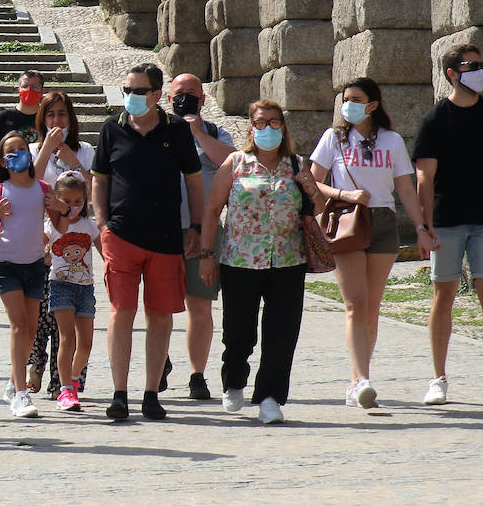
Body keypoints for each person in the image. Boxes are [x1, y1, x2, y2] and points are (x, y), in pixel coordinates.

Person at [311, 77, 437, 409]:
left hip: (383, 220)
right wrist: (343, 193)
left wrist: (421, 227)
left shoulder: (392, 140)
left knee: (372, 307)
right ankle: (361, 380)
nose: (348, 104)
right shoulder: (333, 139)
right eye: (345, 98)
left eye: (355, 99)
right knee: (355, 304)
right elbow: (311, 182)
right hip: (348, 218)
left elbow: (406, 190)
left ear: (372, 105)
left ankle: (358, 377)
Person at [413, 44, 483, 408]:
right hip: (445, 221)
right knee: (443, 295)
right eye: (472, 65)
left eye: (482, 65)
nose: (480, 70)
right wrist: (425, 224)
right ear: (452, 73)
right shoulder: (434, 119)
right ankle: (438, 379)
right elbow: (424, 178)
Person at [90, 62, 202, 421]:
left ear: (156, 95)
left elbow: (194, 182)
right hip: (121, 235)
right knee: (121, 312)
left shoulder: (177, 132)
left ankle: (151, 393)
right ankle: (119, 393)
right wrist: (102, 223)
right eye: (127, 90)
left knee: (160, 316)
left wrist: (195, 226)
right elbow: (99, 179)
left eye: (138, 91)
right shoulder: (112, 128)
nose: (131, 97)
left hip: (167, 238)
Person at [198, 100, 322, 425]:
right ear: (251, 128)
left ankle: (270, 397)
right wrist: (206, 255)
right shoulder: (235, 163)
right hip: (240, 260)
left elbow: (317, 207)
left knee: (282, 333)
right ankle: (234, 380)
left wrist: (310, 186)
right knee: (238, 332)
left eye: (274, 122)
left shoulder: (296, 164)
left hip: (287, 260)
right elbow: (212, 210)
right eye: (261, 122)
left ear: (283, 126)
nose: (268, 128)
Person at [168, 73, 235, 400]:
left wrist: (195, 130)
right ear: (168, 99)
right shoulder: (158, 131)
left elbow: (232, 164)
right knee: (160, 305)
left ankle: (197, 374)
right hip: (162, 231)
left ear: (203, 99)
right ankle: (160, 360)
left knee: (200, 305)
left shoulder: (213, 132)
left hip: (205, 231)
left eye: (192, 94)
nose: (185, 99)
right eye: (180, 94)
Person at [28, 90, 95, 395]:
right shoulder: (30, 150)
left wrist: (71, 159)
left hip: (75, 248)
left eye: (62, 114)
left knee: (68, 322)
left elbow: (94, 191)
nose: (57, 120)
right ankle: (36, 364)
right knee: (41, 313)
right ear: (42, 119)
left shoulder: (86, 151)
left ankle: (63, 383)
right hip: (40, 242)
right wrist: (48, 149)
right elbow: (31, 183)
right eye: (51, 114)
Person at [0, 131, 61, 420]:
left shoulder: (42, 188)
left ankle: (12, 381)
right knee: (19, 326)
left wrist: (62, 208)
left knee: (31, 330)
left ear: (30, 155)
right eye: (11, 151)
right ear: (3, 161)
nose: (18, 153)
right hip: (5, 263)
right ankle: (21, 395)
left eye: (22, 148)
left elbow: (61, 223)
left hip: (34, 264)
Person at [46, 172, 101, 412]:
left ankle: (74, 380)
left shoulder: (89, 225)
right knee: (67, 338)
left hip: (85, 288)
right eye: (66, 202)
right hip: (60, 286)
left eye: (77, 201)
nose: (73, 207)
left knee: (86, 343)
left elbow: (104, 251)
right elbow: (42, 241)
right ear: (58, 200)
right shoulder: (53, 224)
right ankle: (65, 389)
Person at [0, 70, 44, 145]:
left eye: (34, 87)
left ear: (42, 91)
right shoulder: (3, 117)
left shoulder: (47, 118)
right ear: (18, 89)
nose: (29, 90)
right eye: (25, 86)